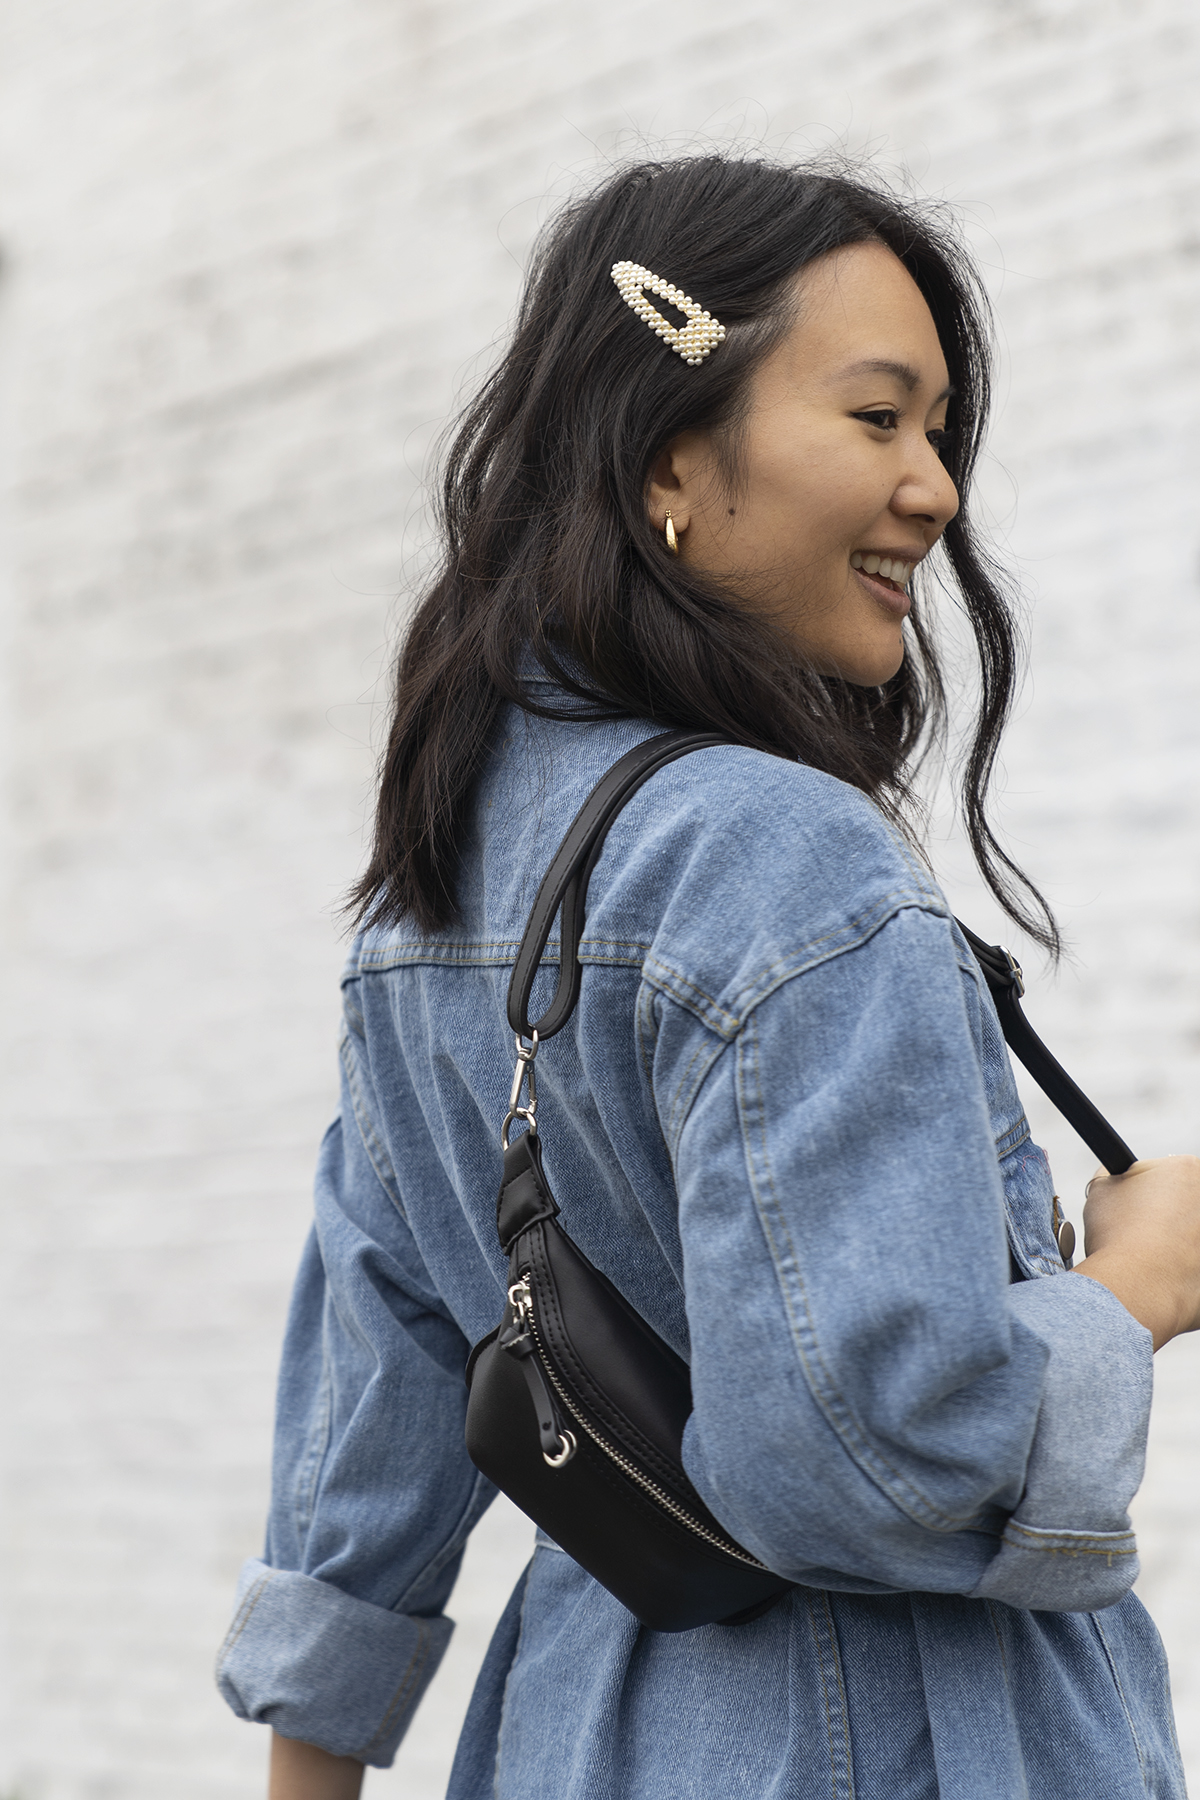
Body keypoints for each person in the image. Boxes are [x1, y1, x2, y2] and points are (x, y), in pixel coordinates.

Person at [216, 155, 1199, 1799]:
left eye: (940, 430)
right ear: (672, 457)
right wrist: (1135, 1295)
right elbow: (868, 1462)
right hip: (891, 1738)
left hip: (576, 1736)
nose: (938, 488)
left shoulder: (428, 891)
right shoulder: (780, 851)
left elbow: (370, 1424)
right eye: (879, 419)